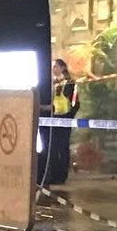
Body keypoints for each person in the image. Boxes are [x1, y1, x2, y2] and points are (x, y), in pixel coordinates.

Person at [43, 59, 77, 187]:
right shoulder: (52, 83)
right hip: (52, 118)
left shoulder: (69, 83)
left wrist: (69, 116)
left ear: (63, 68)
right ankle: (52, 175)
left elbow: (74, 103)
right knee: (52, 147)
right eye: (52, 67)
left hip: (64, 119)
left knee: (62, 148)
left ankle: (61, 176)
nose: (53, 69)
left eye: (56, 67)